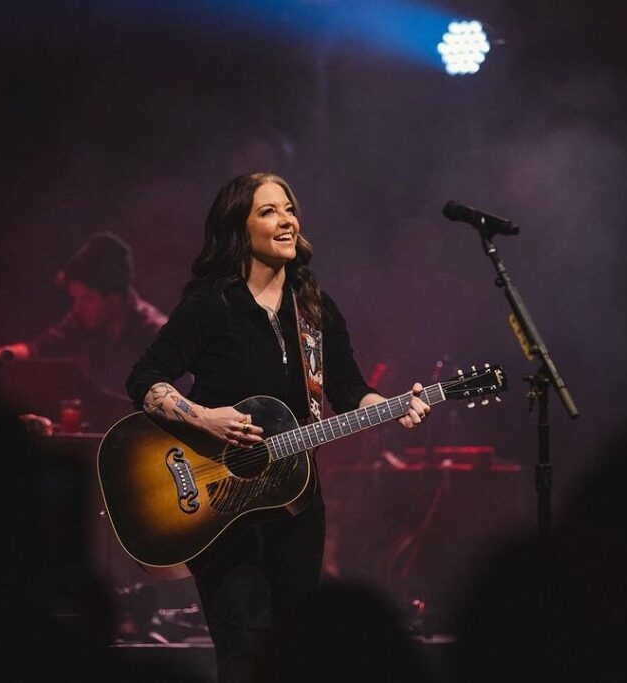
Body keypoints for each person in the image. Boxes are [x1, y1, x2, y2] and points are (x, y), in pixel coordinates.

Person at [125, 172, 431, 682]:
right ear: (239, 229)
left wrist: (393, 405)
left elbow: (348, 388)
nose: (286, 220)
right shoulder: (211, 305)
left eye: (289, 208)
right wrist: (205, 418)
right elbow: (143, 379)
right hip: (218, 504)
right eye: (268, 211)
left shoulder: (315, 307)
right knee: (243, 654)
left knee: (294, 654)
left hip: (297, 505)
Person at [0, 231, 167, 395]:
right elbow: (35, 349)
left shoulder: (156, 337)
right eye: (74, 299)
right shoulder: (83, 321)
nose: (77, 307)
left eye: (85, 299)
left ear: (114, 298)